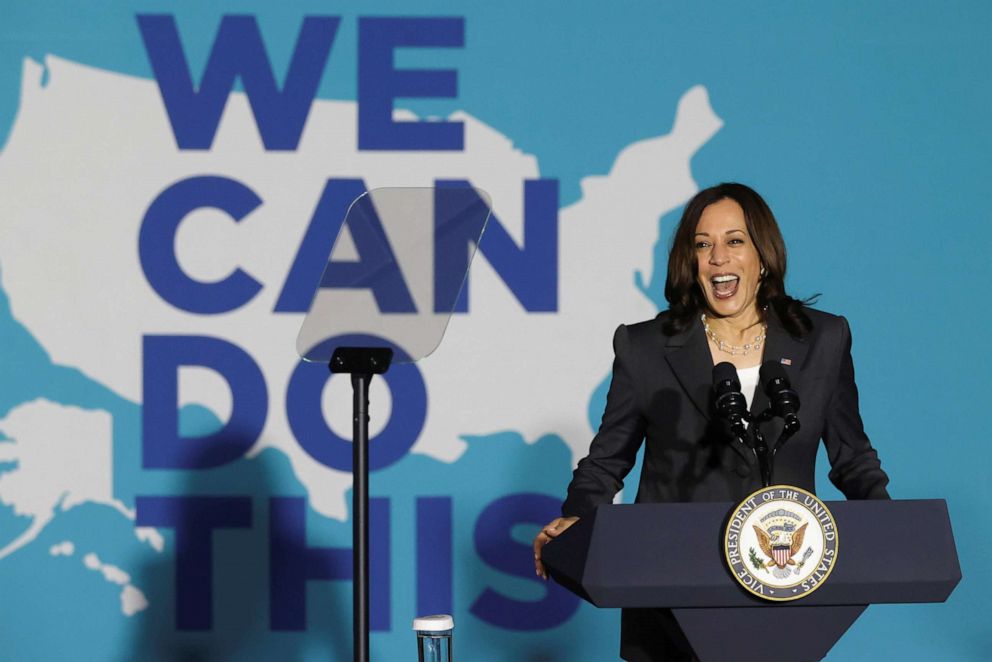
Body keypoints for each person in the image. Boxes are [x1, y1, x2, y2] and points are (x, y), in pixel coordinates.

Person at [532, 182, 889, 661]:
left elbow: (852, 455)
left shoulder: (823, 339)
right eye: (703, 245)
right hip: (668, 595)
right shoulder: (645, 347)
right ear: (690, 261)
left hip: (781, 588)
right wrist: (577, 516)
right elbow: (606, 460)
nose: (718, 257)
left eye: (735, 241)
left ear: (763, 255)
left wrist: (891, 525)